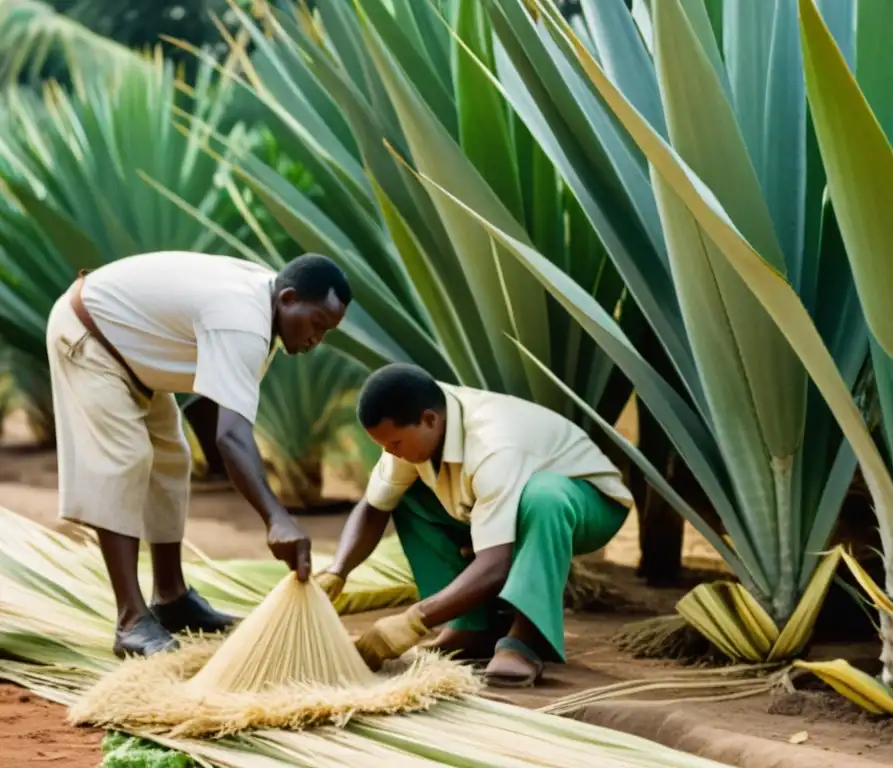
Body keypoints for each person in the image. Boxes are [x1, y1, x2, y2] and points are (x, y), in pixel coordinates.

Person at [45, 250, 350, 659]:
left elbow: (211, 405)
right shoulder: (244, 321)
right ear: (289, 298)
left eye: (326, 332)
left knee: (172, 459)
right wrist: (276, 518)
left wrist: (237, 469)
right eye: (317, 325)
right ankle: (131, 620)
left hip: (131, 357)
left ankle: (171, 598)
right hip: (91, 338)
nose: (317, 340)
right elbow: (232, 437)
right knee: (125, 461)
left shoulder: (264, 308)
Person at [316, 364, 633, 687]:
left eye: (394, 444)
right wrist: (337, 571)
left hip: (588, 504)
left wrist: (414, 620)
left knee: (543, 496)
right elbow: (374, 506)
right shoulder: (422, 423)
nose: (389, 453)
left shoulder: (493, 444)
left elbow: (496, 564)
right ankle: (473, 628)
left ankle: (527, 637)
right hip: (512, 500)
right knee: (407, 496)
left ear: (429, 420)